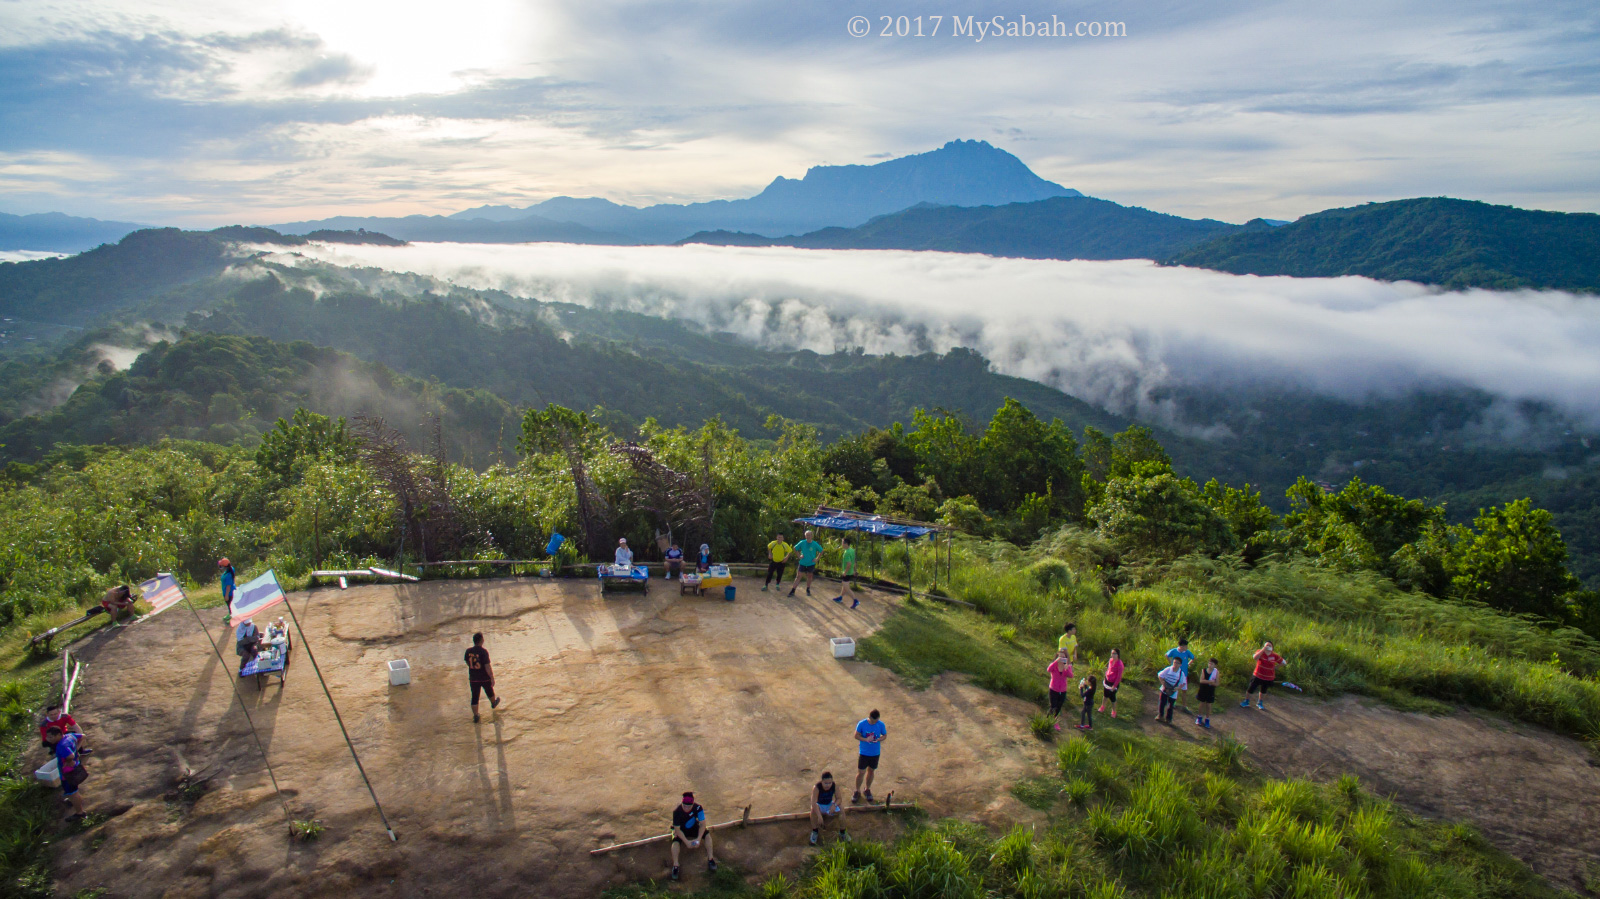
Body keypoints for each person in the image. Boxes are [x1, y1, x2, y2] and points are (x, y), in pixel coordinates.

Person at [669, 791, 717, 880]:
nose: (686, 808)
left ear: (693, 804)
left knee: (707, 835)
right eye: (684, 806)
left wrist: (698, 839)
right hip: (681, 829)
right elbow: (677, 830)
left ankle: (711, 859)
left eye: (689, 806)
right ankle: (675, 865)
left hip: (694, 826)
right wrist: (686, 842)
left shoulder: (698, 808)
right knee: (675, 841)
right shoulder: (677, 812)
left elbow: (703, 824)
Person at [44, 726, 87, 821]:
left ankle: (80, 813)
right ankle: (74, 800)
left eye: (51, 737)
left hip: (68, 772)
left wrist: (68, 761)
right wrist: (76, 750)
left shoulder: (62, 746)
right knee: (74, 790)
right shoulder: (69, 736)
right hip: (75, 767)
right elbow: (83, 736)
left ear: (59, 735)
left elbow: (70, 755)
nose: (48, 739)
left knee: (73, 792)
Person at [464, 632, 502, 723]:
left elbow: (467, 661)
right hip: (484, 677)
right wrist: (492, 677)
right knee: (489, 691)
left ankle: (476, 715)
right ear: (481, 640)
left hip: (473, 678)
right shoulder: (483, 652)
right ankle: (493, 703)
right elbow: (487, 666)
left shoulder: (468, 651)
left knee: (475, 697)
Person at [852, 709, 886, 803]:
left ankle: (867, 789)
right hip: (864, 753)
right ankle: (857, 790)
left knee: (871, 771)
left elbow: (884, 735)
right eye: (872, 721)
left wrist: (879, 739)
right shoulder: (862, 723)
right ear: (869, 717)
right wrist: (865, 739)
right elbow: (856, 735)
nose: (874, 723)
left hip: (875, 753)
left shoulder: (880, 724)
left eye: (876, 721)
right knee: (861, 772)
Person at [1242, 641, 1286, 710]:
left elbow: (1284, 662)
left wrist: (1277, 667)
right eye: (1267, 645)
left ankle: (1260, 703)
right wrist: (1263, 650)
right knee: (1251, 688)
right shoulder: (1260, 652)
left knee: (1263, 691)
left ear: (1272, 647)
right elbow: (1255, 658)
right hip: (1257, 675)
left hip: (1268, 677)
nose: (1268, 647)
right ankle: (1246, 701)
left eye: (1270, 645)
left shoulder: (1274, 655)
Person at [808, 771, 849, 845]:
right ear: (822, 781)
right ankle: (815, 831)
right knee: (813, 810)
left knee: (841, 808)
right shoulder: (817, 787)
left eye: (830, 783)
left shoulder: (834, 786)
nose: (828, 785)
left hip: (829, 804)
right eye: (826, 783)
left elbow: (839, 798)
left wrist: (834, 805)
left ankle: (842, 832)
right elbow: (813, 802)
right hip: (819, 805)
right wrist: (819, 816)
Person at [788, 530, 824, 597]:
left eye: (809, 535)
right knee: (798, 576)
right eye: (807, 535)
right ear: (805, 536)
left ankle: (808, 589)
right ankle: (793, 590)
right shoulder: (802, 542)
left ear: (811, 536)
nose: (808, 536)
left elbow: (821, 551)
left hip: (811, 563)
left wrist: (817, 559)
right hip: (802, 563)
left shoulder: (814, 544)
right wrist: (799, 556)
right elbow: (795, 548)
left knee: (810, 576)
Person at [1165, 638, 1197, 712]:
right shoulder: (1174, 651)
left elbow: (1193, 658)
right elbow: (1167, 655)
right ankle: (1172, 703)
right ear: (1182, 646)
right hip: (1175, 673)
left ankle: (1184, 706)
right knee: (1174, 688)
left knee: (1184, 690)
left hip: (1184, 674)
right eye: (1186, 646)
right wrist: (1171, 663)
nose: (1187, 647)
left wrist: (1188, 664)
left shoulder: (1187, 652)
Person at [1046, 648, 1072, 732]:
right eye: (1060, 657)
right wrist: (1056, 661)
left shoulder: (1066, 666)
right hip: (1053, 689)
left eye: (1063, 657)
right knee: (1053, 706)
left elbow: (1071, 676)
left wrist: (1067, 668)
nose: (1062, 659)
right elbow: (1048, 669)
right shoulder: (1054, 665)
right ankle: (1048, 720)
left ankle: (1054, 721)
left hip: (1063, 690)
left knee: (1058, 707)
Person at [831, 536, 860, 609]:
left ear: (846, 544)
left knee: (846, 587)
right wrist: (854, 570)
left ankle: (855, 600)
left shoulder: (846, 553)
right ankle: (840, 597)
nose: (841, 544)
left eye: (842, 543)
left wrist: (845, 572)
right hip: (850, 572)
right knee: (844, 585)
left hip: (847, 572)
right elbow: (854, 562)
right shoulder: (852, 550)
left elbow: (849, 563)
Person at [1156, 657, 1183, 724]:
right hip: (1164, 689)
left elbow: (1183, 683)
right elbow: (1160, 675)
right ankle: (1160, 715)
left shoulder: (1181, 673)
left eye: (1177, 663)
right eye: (1174, 662)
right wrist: (1163, 683)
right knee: (1162, 703)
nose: (1175, 664)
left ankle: (1168, 719)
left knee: (1170, 706)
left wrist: (1177, 688)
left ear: (1180, 665)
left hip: (1173, 692)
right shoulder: (1168, 669)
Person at [1099, 648, 1123, 718]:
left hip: (1113, 683)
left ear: (1118, 654)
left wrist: (1114, 686)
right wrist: (1105, 676)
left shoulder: (1119, 664)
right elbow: (1108, 669)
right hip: (1107, 680)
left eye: (1114, 653)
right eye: (1112, 653)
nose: (1113, 655)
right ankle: (1102, 706)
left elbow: (1119, 677)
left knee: (1112, 697)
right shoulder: (1110, 660)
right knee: (1105, 694)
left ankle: (1114, 711)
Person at [1195, 658, 1220, 728]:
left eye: (1212, 664)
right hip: (1203, 689)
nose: (1210, 665)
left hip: (1210, 691)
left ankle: (1207, 719)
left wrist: (1211, 683)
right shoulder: (1204, 670)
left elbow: (1217, 683)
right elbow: (1201, 680)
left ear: (1215, 665)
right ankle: (1199, 717)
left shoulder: (1216, 672)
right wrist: (1210, 682)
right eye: (1209, 663)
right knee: (1201, 703)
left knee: (1209, 705)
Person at [218, 558, 237, 625]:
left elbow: (228, 586)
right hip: (230, 591)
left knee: (230, 605)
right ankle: (230, 614)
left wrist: (226, 595)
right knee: (230, 605)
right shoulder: (231, 569)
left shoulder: (228, 574)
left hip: (229, 593)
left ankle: (233, 617)